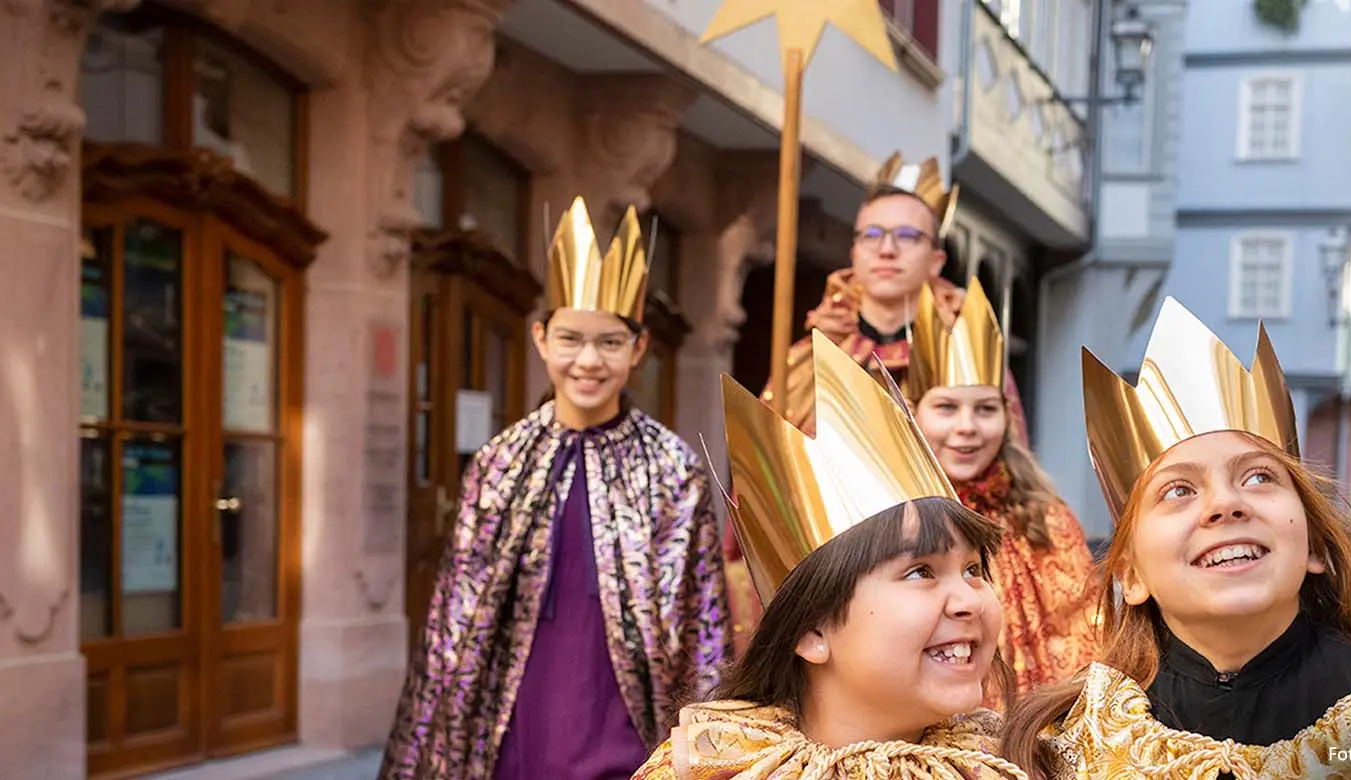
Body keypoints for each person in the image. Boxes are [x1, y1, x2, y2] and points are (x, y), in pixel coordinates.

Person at [1000, 300, 1351, 779]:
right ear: (1130, 574)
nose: (1224, 504)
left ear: (1315, 546)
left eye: (1259, 477)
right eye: (1178, 490)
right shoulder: (1070, 742)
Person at [382, 199, 729, 780]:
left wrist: (709, 739)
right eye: (570, 338)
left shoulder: (674, 468)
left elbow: (703, 626)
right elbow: (455, 620)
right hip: (516, 713)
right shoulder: (501, 460)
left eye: (610, 342)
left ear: (638, 349)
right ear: (541, 339)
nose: (587, 360)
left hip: (623, 715)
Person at [631, 331, 1024, 779]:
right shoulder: (711, 768)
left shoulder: (1009, 763)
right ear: (811, 630)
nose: (970, 600)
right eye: (920, 572)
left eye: (973, 570)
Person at [727, 152, 1035, 655]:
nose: (887, 249)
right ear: (855, 249)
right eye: (872, 235)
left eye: (908, 236)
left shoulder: (970, 355)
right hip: (829, 575)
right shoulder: (808, 358)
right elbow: (767, 479)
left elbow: (1007, 476)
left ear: (936, 258)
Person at [905, 279, 1096, 699]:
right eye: (947, 407)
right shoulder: (886, 517)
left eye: (985, 409)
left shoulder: (1045, 517)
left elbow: (1085, 635)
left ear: (1007, 418)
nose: (968, 427)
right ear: (913, 410)